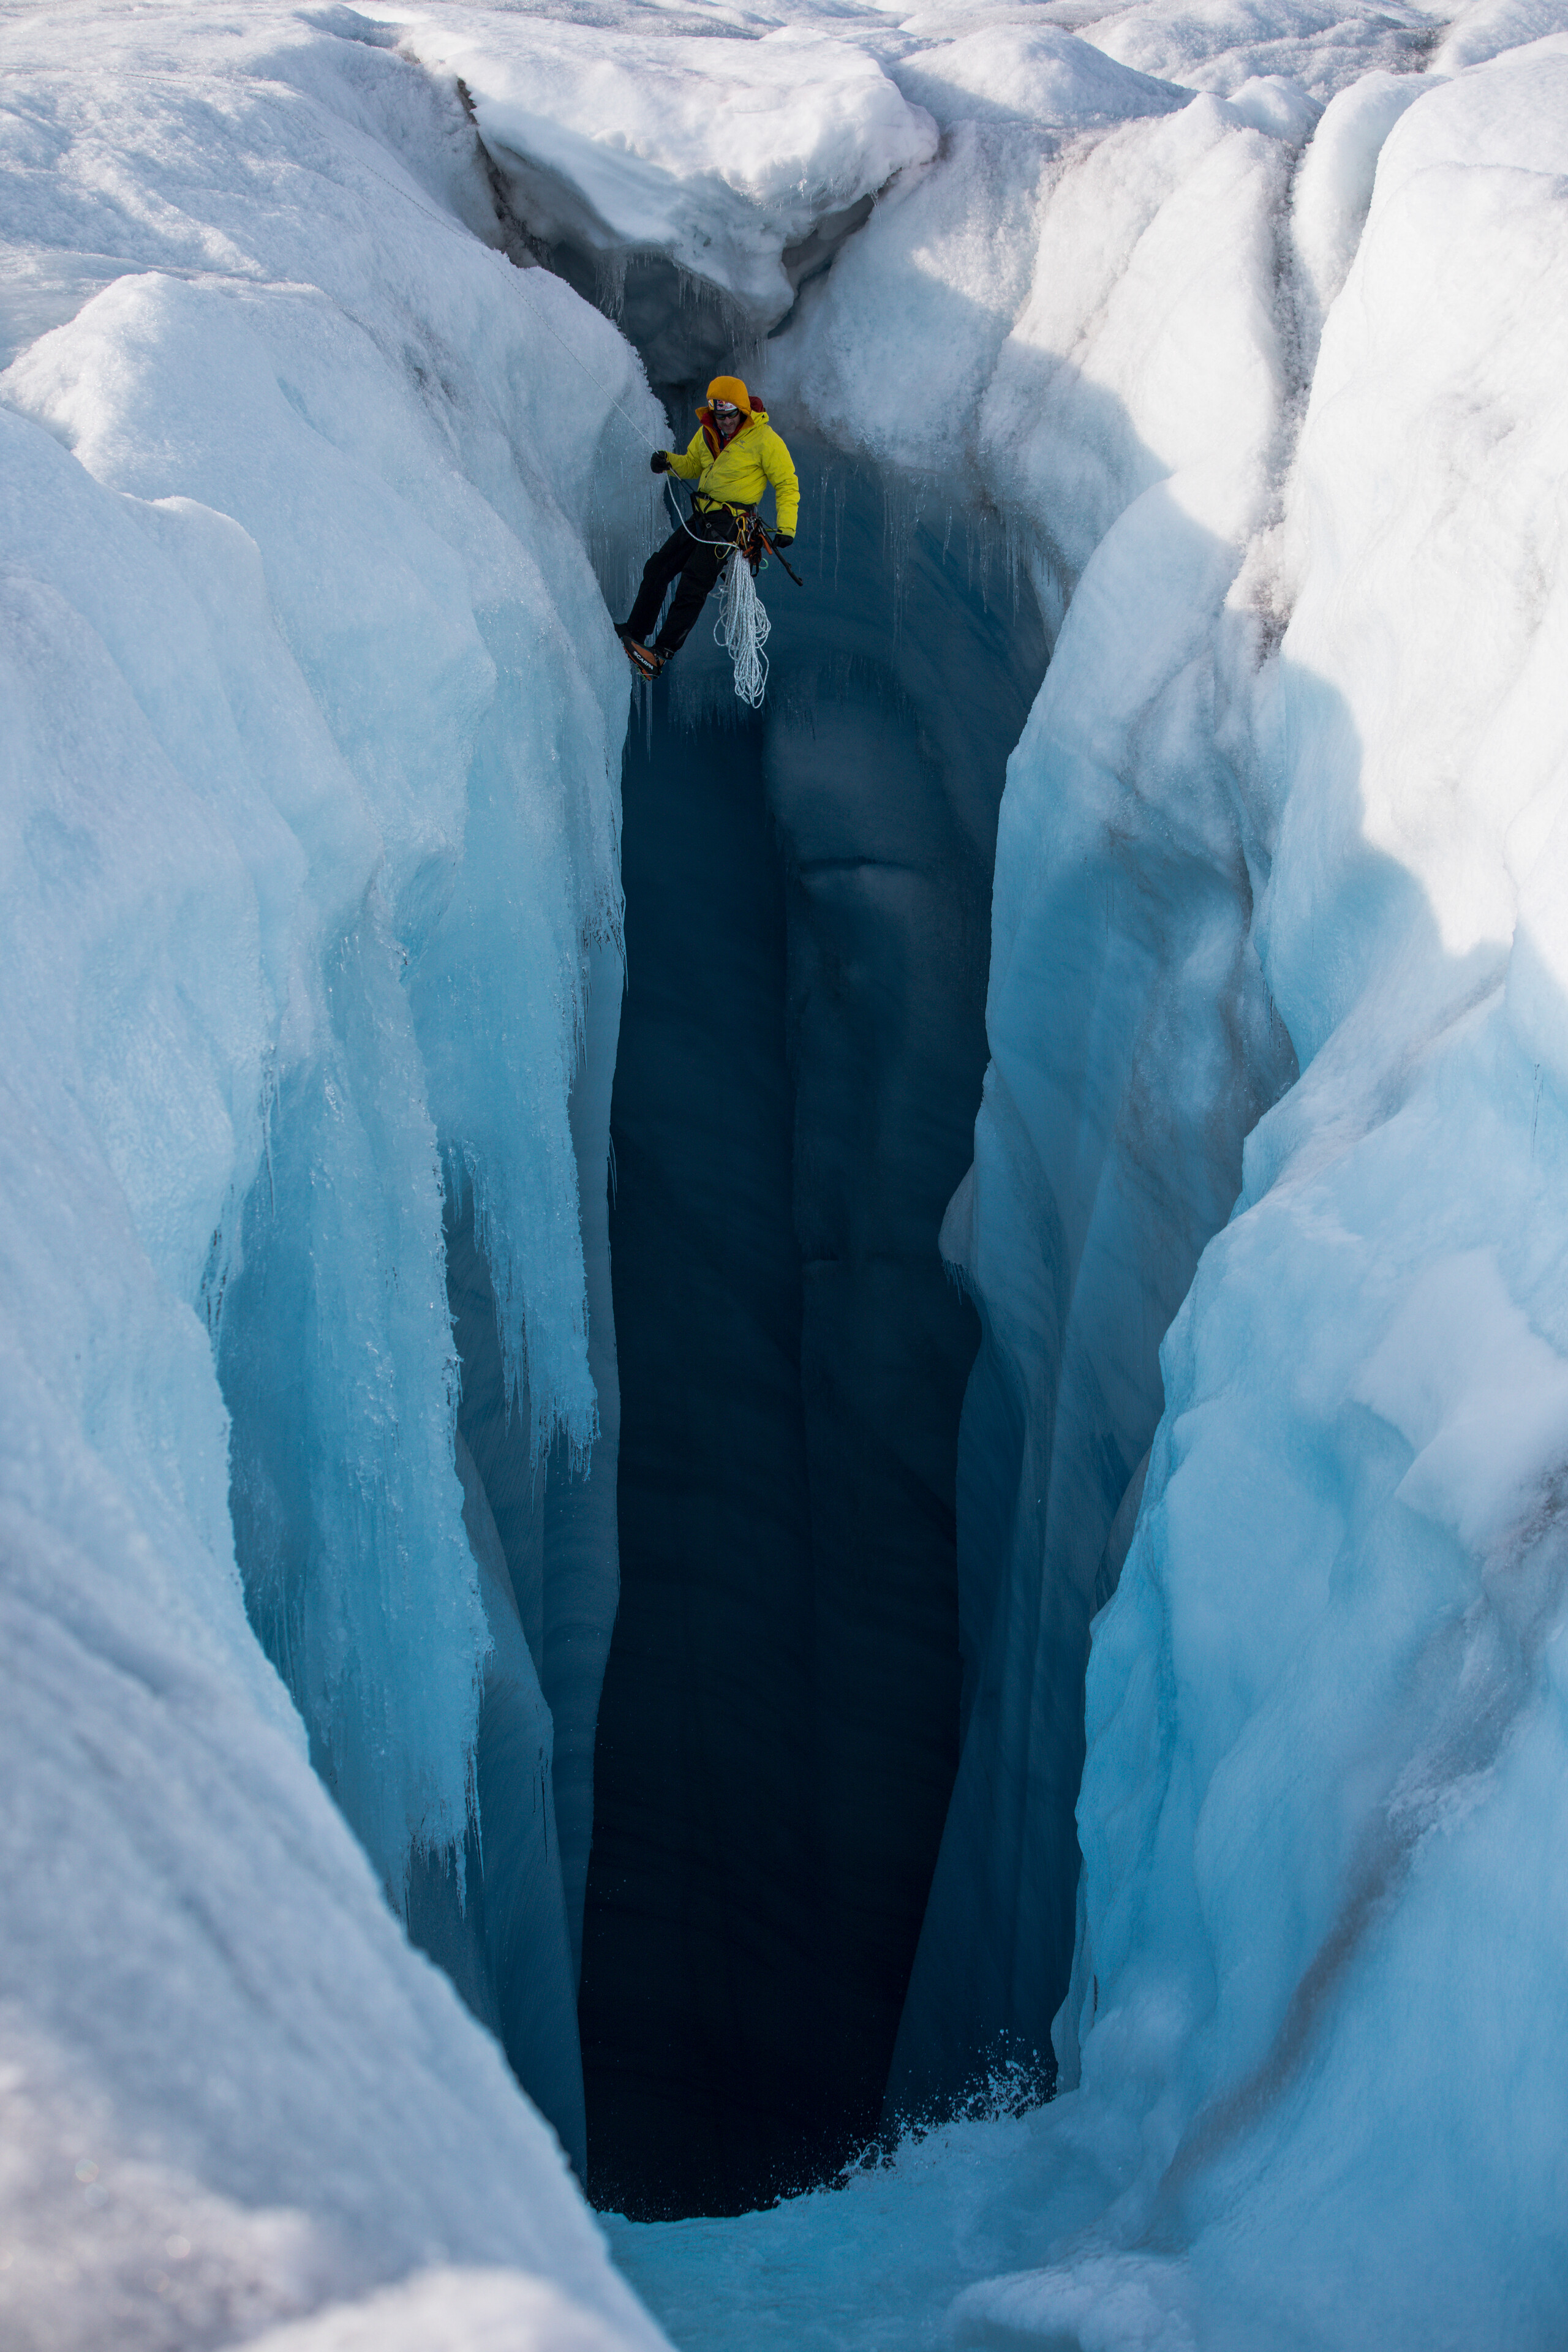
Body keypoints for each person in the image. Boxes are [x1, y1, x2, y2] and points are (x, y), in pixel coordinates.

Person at [618, 375, 799, 679]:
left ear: (741, 410)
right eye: (719, 415)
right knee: (658, 567)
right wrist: (668, 463)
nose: (725, 421)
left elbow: (787, 483)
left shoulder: (764, 439)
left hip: (731, 526)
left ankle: (660, 656)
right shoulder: (706, 434)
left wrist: (787, 528)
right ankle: (634, 631)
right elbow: (691, 464)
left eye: (730, 414)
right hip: (702, 517)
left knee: (693, 584)